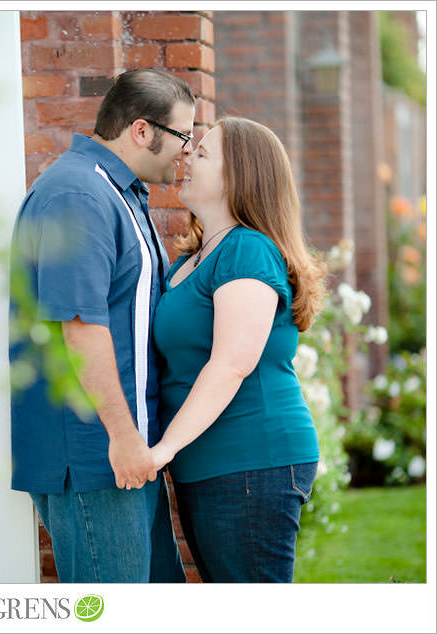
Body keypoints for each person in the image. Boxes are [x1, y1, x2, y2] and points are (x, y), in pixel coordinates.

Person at [8, 68, 195, 583]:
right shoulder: (80, 196)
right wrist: (123, 436)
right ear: (141, 131)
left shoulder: (117, 192)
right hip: (98, 457)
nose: (186, 151)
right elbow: (79, 326)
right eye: (183, 136)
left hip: (125, 455)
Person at [149, 116, 327, 582]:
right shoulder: (194, 258)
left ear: (239, 176)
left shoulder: (246, 250)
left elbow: (232, 363)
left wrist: (163, 449)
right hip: (212, 465)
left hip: (251, 460)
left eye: (203, 153)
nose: (187, 155)